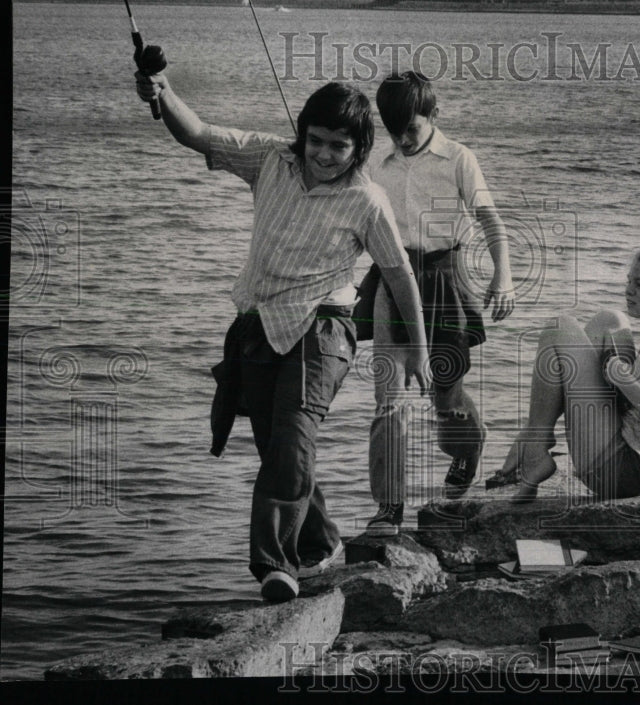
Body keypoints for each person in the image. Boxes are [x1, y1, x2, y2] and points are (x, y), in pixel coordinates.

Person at [134, 69, 429, 602]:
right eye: (315, 141)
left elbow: (399, 274)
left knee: (294, 434)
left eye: (339, 146)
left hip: (326, 327)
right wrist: (163, 90)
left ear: (359, 148)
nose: (323, 154)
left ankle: (275, 564)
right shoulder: (270, 158)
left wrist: (420, 349)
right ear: (302, 134)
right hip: (260, 324)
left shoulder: (367, 199)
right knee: (278, 449)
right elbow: (196, 132)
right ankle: (322, 541)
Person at [356, 71, 515, 536]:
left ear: (434, 116)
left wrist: (503, 278)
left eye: (412, 129)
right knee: (389, 397)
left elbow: (491, 220)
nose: (403, 139)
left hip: (444, 278)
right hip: (390, 279)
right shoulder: (376, 163)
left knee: (444, 395)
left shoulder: (459, 158)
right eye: (393, 130)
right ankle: (389, 508)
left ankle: (468, 447)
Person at [486, 244, 640, 502]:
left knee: (559, 329)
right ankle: (532, 437)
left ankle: (534, 450)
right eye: (629, 281)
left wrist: (627, 384)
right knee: (610, 321)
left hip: (622, 470)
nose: (629, 290)